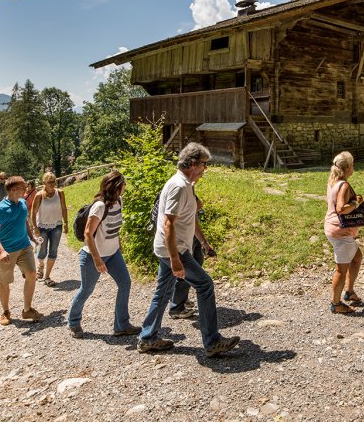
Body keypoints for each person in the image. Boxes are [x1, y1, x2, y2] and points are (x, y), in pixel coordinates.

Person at [138, 143, 240, 357]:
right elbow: (169, 224)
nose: (205, 169)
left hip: (170, 249)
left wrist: (203, 242)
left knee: (162, 292)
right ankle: (212, 341)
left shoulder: (186, 185)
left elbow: (189, 218)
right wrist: (175, 259)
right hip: (173, 250)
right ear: (193, 163)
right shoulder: (179, 186)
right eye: (204, 164)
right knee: (205, 285)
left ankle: (148, 338)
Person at [67, 170, 141, 338]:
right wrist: (97, 259)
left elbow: (115, 227)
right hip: (93, 255)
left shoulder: (119, 202)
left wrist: (119, 246)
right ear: (116, 187)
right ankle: (73, 322)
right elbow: (87, 234)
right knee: (86, 289)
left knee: (125, 283)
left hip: (113, 253)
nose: (125, 187)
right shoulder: (99, 206)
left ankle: (121, 325)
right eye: (123, 184)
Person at [0, 175, 43, 325]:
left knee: (32, 274)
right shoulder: (0, 209)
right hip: (7, 251)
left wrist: (32, 238)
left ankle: (27, 310)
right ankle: (5, 311)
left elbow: (24, 221)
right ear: (13, 189)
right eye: (23, 187)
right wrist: (1, 251)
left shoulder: (23, 203)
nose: (26, 189)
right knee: (5, 281)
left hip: (24, 247)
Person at [325, 151, 364, 315]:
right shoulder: (344, 185)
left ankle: (349, 291)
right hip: (341, 231)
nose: (353, 167)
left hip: (332, 227)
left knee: (357, 257)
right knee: (341, 270)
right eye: (352, 164)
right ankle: (336, 303)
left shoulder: (332, 182)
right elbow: (341, 209)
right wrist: (356, 202)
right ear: (348, 168)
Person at [169, 195, 216, 319]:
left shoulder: (189, 188)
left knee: (192, 267)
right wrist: (203, 242)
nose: (200, 176)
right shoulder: (181, 189)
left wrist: (203, 242)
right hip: (184, 239)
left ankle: (180, 300)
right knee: (188, 273)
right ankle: (176, 307)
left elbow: (197, 208)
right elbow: (196, 207)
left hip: (191, 236)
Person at [30, 172, 68, 286]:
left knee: (53, 251)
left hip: (57, 226)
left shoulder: (60, 193)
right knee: (41, 251)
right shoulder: (39, 195)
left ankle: (47, 277)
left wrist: (66, 223)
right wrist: (35, 228)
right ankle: (41, 265)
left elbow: (64, 208)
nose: (52, 184)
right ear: (44, 183)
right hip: (42, 227)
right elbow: (33, 213)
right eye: (49, 182)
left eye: (53, 181)